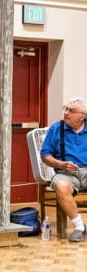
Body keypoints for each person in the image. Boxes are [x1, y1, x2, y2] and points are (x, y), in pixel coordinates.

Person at [41, 96, 87, 242]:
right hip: (66, 173)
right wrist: (61, 164)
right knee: (60, 185)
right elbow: (45, 155)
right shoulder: (56, 128)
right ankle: (79, 226)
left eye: (72, 111)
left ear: (83, 116)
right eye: (65, 109)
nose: (66, 113)